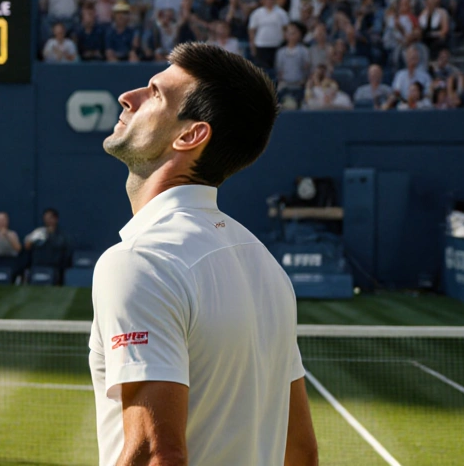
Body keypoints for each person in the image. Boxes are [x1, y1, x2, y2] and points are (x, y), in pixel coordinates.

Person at [91, 42, 316, 466]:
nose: (129, 97)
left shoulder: (140, 261)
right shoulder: (266, 267)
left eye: (155, 93)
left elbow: (157, 455)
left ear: (190, 135)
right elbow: (300, 454)